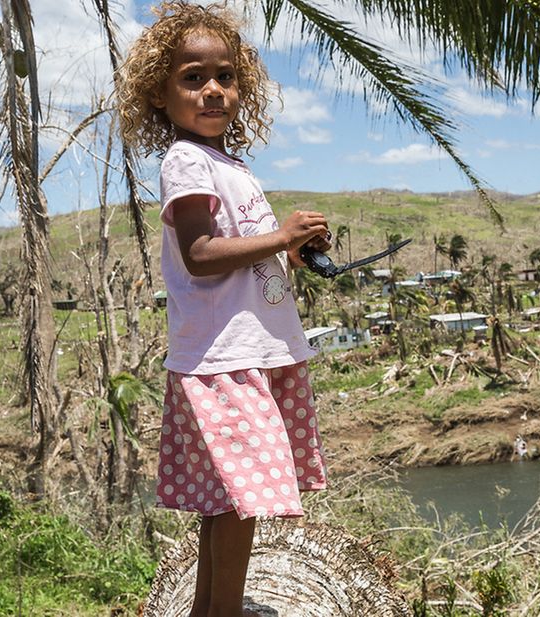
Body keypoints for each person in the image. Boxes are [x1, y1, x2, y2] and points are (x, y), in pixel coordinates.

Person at [116, 3, 332, 616]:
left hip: (249, 352)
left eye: (226, 77)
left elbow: (240, 260)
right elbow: (201, 254)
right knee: (244, 500)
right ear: (160, 94)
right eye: (192, 78)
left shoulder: (228, 166)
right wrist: (280, 236)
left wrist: (291, 253)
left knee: (225, 500)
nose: (213, 90)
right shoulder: (185, 161)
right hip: (224, 360)